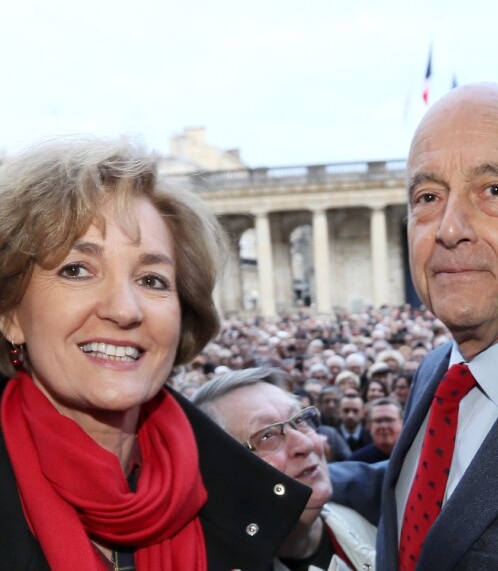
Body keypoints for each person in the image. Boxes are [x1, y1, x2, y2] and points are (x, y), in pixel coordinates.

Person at [0, 138, 310, 570]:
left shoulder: (245, 502)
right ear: (11, 313)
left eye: (152, 280)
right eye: (77, 270)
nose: (125, 309)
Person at [330, 82, 498, 569]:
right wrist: (304, 475)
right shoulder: (439, 371)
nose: (448, 228)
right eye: (428, 195)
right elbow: (446, 486)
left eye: (494, 190)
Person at [192, 367, 377, 571]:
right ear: (222, 473)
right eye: (267, 436)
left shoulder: (381, 519)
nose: (305, 444)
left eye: (299, 420)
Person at [348, 398, 403, 463]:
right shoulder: (355, 462)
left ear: (402, 423)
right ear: (369, 426)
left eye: (389, 420)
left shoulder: (414, 457)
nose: (383, 426)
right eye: (378, 421)